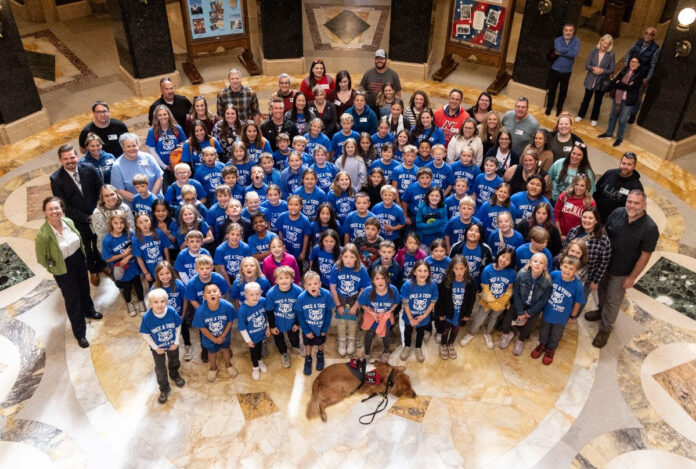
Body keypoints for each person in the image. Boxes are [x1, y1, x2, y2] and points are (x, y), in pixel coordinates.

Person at [586, 190, 658, 348]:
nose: (632, 206)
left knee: (613, 300)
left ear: (644, 205)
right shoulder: (618, 212)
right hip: (605, 264)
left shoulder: (650, 228)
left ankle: (605, 329)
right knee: (602, 292)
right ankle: (600, 310)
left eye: (636, 203)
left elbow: (645, 255)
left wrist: (632, 278)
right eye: (629, 202)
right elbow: (604, 232)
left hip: (622, 272)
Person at [35, 197, 102, 348]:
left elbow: (79, 241)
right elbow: (41, 258)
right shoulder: (43, 235)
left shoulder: (69, 222)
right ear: (45, 212)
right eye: (51, 209)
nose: (54, 211)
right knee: (73, 300)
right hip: (62, 268)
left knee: (84, 289)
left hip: (78, 259)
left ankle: (89, 311)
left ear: (62, 209)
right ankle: (80, 333)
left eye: (57, 208)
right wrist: (54, 268)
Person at [50, 144, 106, 286]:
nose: (70, 161)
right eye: (66, 159)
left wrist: (97, 213)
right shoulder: (56, 179)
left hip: (97, 214)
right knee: (86, 246)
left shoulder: (89, 168)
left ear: (77, 156)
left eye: (72, 157)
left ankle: (102, 264)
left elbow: (101, 190)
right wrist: (86, 218)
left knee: (100, 240)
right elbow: (64, 206)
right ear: (60, 160)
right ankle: (93, 270)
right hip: (78, 220)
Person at [531, 255, 584, 365]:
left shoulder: (578, 286)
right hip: (548, 311)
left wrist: (572, 316)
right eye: (565, 267)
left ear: (577, 271)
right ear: (560, 266)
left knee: (556, 334)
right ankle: (542, 344)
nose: (567, 271)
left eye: (571, 269)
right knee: (544, 330)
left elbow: (578, 303)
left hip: (562, 317)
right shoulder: (554, 275)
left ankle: (551, 349)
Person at [499, 253, 553, 356]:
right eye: (535, 261)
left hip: (533, 307)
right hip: (520, 303)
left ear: (545, 267)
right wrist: (520, 311)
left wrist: (530, 312)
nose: (537, 264)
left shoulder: (547, 281)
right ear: (530, 263)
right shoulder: (522, 274)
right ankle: (507, 334)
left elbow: (544, 300)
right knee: (507, 318)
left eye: (541, 263)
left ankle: (520, 340)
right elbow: (516, 293)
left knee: (529, 325)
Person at [139, 288, 185, 404]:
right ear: (150, 303)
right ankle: (164, 388)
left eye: (162, 301)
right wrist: (155, 347)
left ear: (167, 301)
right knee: (160, 368)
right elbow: (145, 334)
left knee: (174, 360)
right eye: (156, 302)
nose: (160, 305)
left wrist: (176, 341)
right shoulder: (147, 317)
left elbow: (177, 326)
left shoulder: (171, 312)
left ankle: (174, 374)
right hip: (157, 347)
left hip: (172, 344)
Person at [193, 283, 237, 382]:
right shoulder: (200, 311)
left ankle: (228, 364)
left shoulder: (228, 306)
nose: (212, 294)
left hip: (224, 336)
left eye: (214, 291)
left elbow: (230, 321)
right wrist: (214, 339)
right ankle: (213, 368)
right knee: (211, 352)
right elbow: (202, 328)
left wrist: (223, 336)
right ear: (204, 296)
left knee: (226, 349)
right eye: (208, 292)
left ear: (220, 293)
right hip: (209, 338)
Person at [295, 271, 336, 375]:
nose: (312, 286)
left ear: (320, 284)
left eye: (315, 283)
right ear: (305, 286)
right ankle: (308, 358)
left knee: (320, 342)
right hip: (308, 327)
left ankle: (320, 354)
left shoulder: (326, 295)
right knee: (308, 343)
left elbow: (328, 313)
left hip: (321, 326)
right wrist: (306, 330)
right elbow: (300, 315)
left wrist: (325, 329)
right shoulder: (301, 297)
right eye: (309, 284)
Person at [597, 56, 643, 147]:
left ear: (639, 64)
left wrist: (620, 84)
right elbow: (614, 82)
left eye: (635, 62)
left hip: (627, 101)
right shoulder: (624, 70)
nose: (632, 64)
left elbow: (631, 88)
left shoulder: (639, 76)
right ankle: (608, 133)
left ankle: (619, 138)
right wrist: (621, 84)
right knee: (612, 116)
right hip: (618, 97)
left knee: (622, 120)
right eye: (631, 61)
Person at [358, 267, 400, 363]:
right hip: (372, 317)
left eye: (383, 278)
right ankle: (367, 354)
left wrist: (391, 310)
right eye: (377, 278)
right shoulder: (368, 291)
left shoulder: (393, 290)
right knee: (369, 335)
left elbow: (396, 302)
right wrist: (372, 312)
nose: (380, 281)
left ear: (387, 279)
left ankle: (386, 352)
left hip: (386, 317)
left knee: (386, 335)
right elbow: (362, 304)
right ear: (373, 280)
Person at [399, 260, 438, 363]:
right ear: (414, 272)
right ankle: (407, 346)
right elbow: (405, 304)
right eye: (419, 270)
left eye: (425, 271)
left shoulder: (432, 285)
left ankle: (418, 347)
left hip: (423, 316)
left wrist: (424, 316)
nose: (422, 273)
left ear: (429, 273)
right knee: (408, 331)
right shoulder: (407, 285)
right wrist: (411, 318)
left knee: (420, 332)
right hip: (409, 315)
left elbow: (432, 302)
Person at [110, 133, 163, 204]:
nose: (132, 149)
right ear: (123, 148)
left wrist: (151, 198)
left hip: (156, 202)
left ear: (138, 145)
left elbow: (159, 178)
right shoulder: (117, 166)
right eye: (128, 146)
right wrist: (141, 200)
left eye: (134, 145)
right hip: (135, 206)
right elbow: (119, 190)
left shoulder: (148, 157)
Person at [576, 34, 615, 127]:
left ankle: (594, 118)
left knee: (598, 101)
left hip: (601, 81)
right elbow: (587, 65)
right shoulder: (594, 50)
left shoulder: (611, 54)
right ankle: (580, 115)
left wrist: (602, 70)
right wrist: (594, 68)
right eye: (604, 42)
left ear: (610, 45)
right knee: (586, 99)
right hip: (591, 79)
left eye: (608, 44)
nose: (605, 45)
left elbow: (612, 69)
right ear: (601, 41)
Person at [624, 27, 660, 123]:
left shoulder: (655, 49)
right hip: (631, 72)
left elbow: (653, 65)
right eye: (646, 33)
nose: (648, 36)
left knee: (638, 96)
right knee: (627, 90)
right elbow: (629, 52)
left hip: (642, 75)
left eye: (651, 34)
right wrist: (627, 65)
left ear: (653, 36)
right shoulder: (638, 42)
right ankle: (625, 110)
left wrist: (647, 78)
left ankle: (633, 114)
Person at [593, 152, 643, 222]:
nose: (625, 167)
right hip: (594, 216)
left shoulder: (637, 188)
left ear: (634, 166)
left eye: (629, 164)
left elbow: (633, 211)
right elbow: (596, 191)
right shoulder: (609, 173)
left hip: (613, 223)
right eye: (623, 163)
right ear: (620, 162)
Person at [237, 282, 271, 381]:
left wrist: (268, 327)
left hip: (262, 332)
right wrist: (248, 340)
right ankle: (255, 367)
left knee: (259, 349)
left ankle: (260, 361)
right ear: (246, 295)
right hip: (252, 336)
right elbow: (242, 327)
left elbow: (267, 314)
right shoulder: (242, 310)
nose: (255, 297)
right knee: (254, 352)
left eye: (257, 294)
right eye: (251, 294)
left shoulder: (263, 301)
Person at [546, 24, 580, 116]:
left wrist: (561, 52)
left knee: (563, 92)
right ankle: (549, 107)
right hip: (555, 69)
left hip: (567, 71)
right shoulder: (557, 40)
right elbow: (558, 49)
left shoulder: (576, 41)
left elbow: (574, 53)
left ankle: (559, 109)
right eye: (566, 30)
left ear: (573, 31)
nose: (568, 32)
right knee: (552, 90)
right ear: (563, 31)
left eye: (570, 30)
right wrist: (568, 50)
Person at [91, 184, 135, 250]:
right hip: (109, 248)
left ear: (116, 194)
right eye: (106, 196)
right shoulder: (97, 213)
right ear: (102, 198)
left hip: (128, 244)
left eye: (112, 194)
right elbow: (103, 236)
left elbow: (132, 228)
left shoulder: (124, 207)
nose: (110, 198)